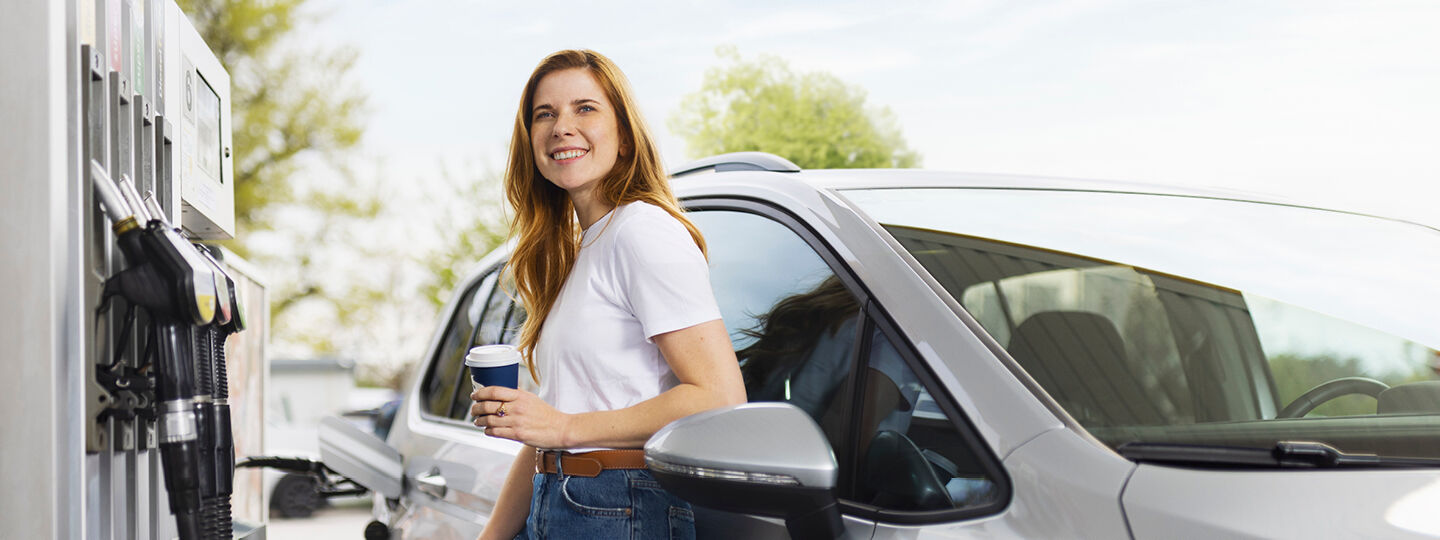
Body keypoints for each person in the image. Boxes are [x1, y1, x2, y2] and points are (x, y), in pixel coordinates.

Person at [469, 49, 746, 540]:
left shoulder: (643, 231)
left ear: (623, 138)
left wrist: (564, 427)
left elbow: (719, 397)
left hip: (619, 506)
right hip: (561, 499)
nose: (561, 127)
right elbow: (547, 440)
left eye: (585, 108)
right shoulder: (583, 250)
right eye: (544, 114)